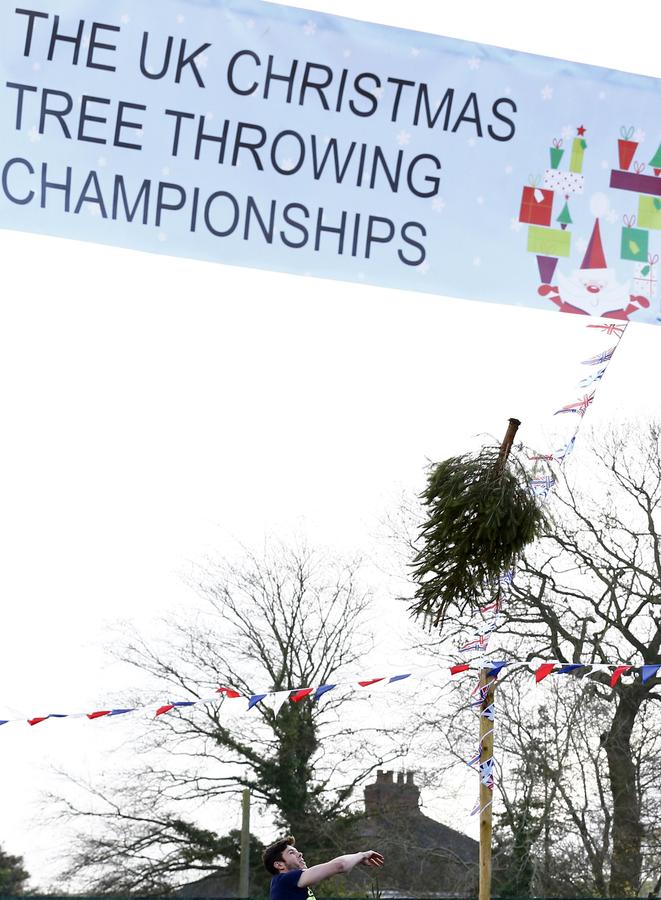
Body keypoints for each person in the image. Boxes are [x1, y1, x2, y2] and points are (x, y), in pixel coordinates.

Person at [262, 835, 384, 900]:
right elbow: (340, 865)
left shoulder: (290, 884)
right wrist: (362, 855)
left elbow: (336, 865)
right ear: (279, 865)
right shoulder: (285, 880)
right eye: (291, 853)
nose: (300, 854)